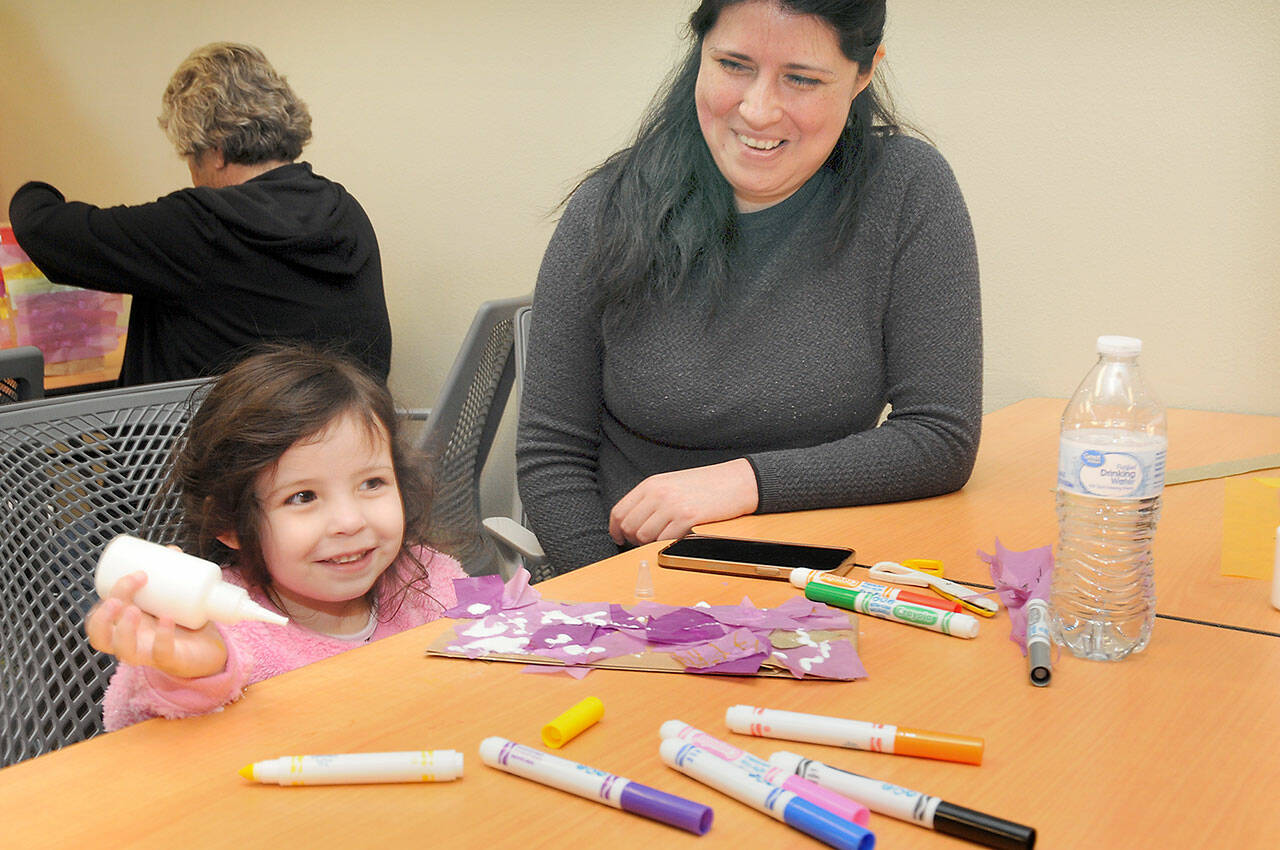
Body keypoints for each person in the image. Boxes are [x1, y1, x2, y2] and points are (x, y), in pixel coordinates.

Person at [517, 0, 982, 576]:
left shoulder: (907, 187)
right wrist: (610, 606)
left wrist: (742, 482)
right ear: (700, 55)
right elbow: (551, 456)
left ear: (863, 74)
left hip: (820, 578)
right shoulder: (607, 207)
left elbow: (940, 437)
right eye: (733, 65)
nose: (759, 110)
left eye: (803, 79)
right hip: (628, 578)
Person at [86, 345, 464, 730]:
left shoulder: (430, 579)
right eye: (303, 497)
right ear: (229, 521)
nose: (350, 521)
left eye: (372, 482)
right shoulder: (220, 630)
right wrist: (185, 677)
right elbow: (140, 735)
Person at [7, 42, 391, 385]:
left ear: (217, 150)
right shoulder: (345, 212)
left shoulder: (204, 224)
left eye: (191, 156)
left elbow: (46, 230)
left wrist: (32, 189)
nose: (192, 175)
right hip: (333, 450)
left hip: (207, 459)